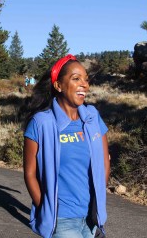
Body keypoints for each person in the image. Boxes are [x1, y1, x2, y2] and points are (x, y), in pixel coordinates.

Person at [23, 54, 110, 238]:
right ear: (58, 85)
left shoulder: (92, 118)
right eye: (76, 79)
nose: (84, 84)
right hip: (62, 221)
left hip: (92, 218)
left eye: (86, 80)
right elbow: (30, 173)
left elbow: (104, 162)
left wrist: (98, 201)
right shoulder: (41, 123)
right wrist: (47, 209)